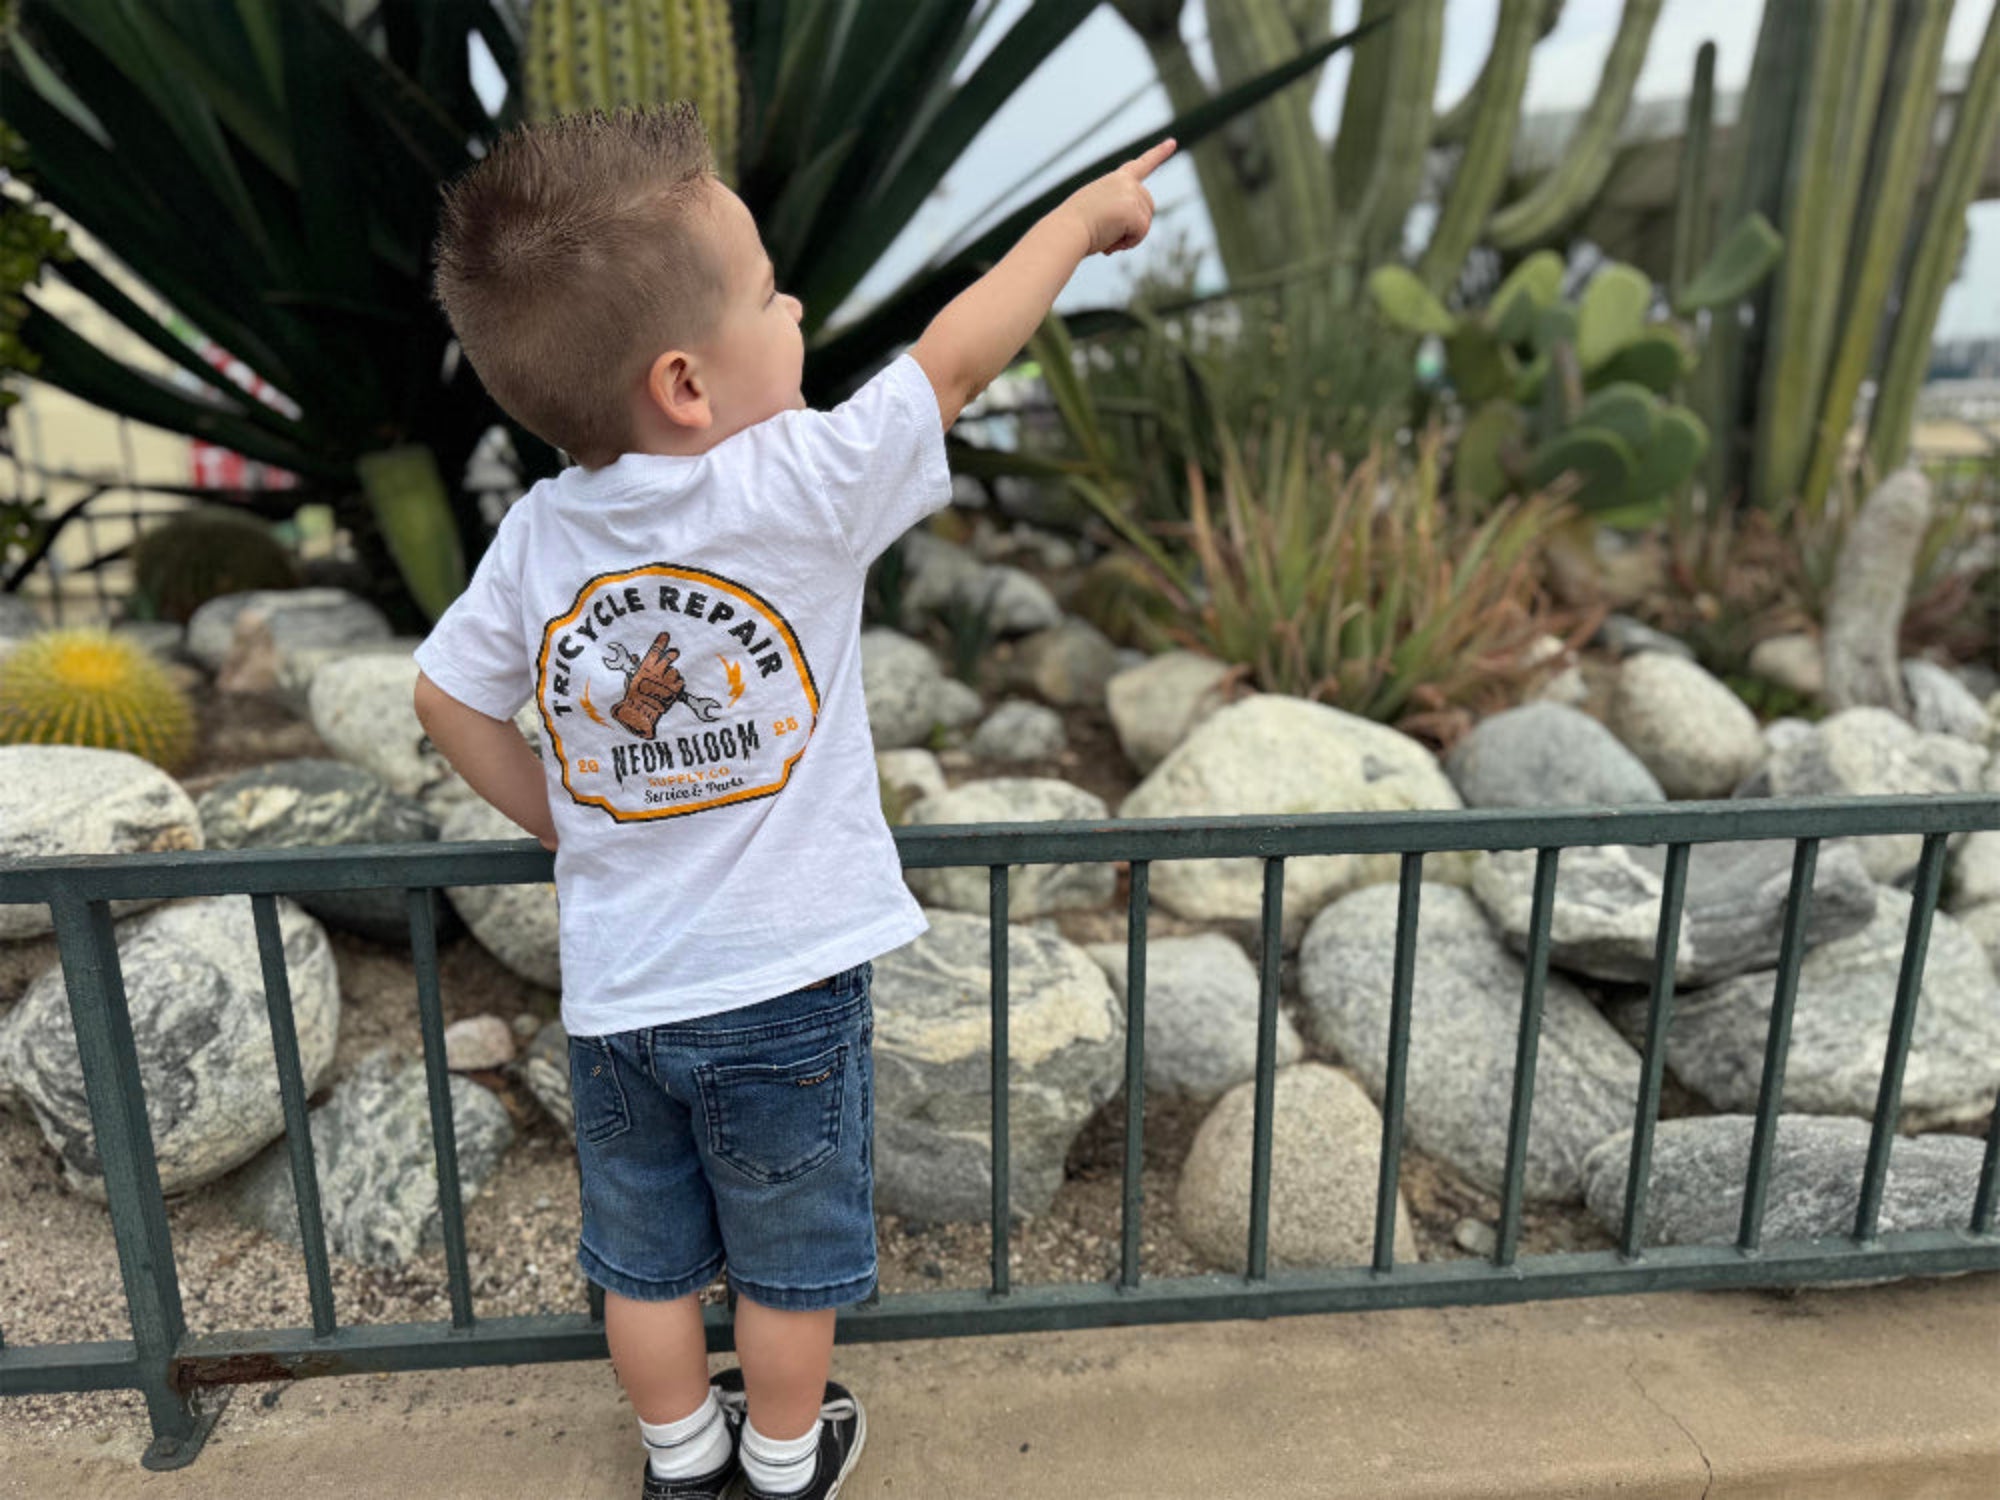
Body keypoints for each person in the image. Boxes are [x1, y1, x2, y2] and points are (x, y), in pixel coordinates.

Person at [412, 101, 1173, 1500]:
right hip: (784, 990)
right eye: (770, 293)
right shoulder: (806, 480)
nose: (800, 307)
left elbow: (444, 697)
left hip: (621, 994)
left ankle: (679, 1455)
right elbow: (957, 357)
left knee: (644, 1260)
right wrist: (1078, 222)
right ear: (686, 383)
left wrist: (569, 820)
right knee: (782, 1259)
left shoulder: (538, 535)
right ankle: (780, 1457)